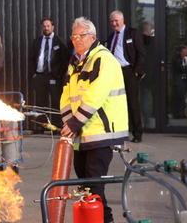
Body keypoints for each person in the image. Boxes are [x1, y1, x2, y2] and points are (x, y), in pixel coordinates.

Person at [60, 17, 129, 223]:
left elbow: (96, 95)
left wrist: (73, 123)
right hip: (82, 135)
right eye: (74, 36)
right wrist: (68, 122)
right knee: (85, 188)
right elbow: (66, 95)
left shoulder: (103, 59)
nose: (77, 40)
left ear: (93, 37)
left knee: (94, 188)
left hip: (102, 134)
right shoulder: (75, 62)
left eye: (82, 35)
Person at [107, 10, 145, 143]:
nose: (114, 23)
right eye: (112, 21)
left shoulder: (132, 33)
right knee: (115, 102)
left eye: (116, 20)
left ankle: (137, 133)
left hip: (129, 71)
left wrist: (136, 71)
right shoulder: (111, 36)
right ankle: (118, 131)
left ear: (122, 20)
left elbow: (141, 53)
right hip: (114, 73)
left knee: (132, 103)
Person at [29, 17, 67, 134]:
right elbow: (31, 59)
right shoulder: (37, 41)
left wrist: (60, 74)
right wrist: (33, 74)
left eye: (48, 26)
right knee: (40, 103)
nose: (46, 28)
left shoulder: (59, 41)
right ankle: (41, 126)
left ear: (52, 27)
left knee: (56, 102)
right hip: (40, 76)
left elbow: (64, 59)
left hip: (53, 76)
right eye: (44, 26)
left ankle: (55, 126)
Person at [138, 21, 154, 128]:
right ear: (147, 29)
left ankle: (146, 120)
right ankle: (150, 120)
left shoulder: (138, 41)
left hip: (142, 73)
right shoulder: (152, 42)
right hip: (152, 73)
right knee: (151, 97)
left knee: (144, 97)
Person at [171, 45, 187, 119]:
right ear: (179, 52)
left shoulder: (184, 60)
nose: (184, 53)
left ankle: (180, 113)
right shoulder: (176, 59)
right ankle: (175, 113)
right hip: (178, 81)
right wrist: (183, 70)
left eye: (185, 52)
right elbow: (180, 69)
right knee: (177, 97)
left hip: (183, 81)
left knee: (182, 98)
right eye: (182, 52)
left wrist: (184, 70)